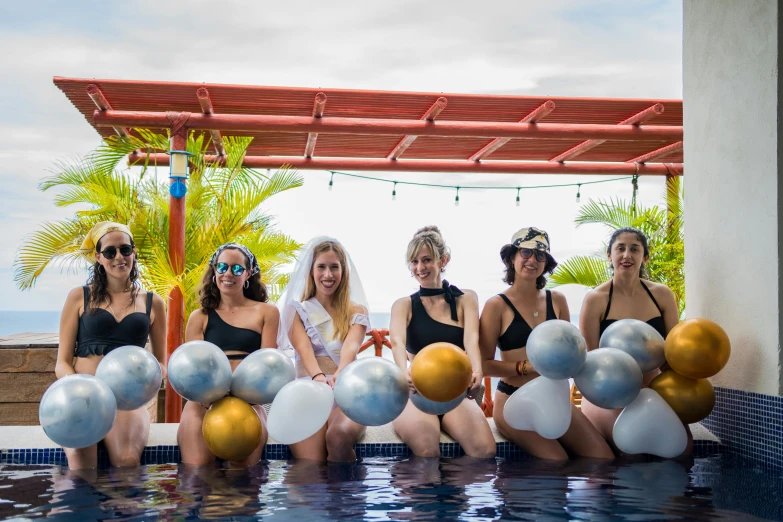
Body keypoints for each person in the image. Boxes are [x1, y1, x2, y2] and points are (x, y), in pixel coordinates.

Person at [479, 227, 613, 460]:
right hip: (514, 400)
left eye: (540, 255)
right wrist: (526, 367)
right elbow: (483, 365)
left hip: (555, 398)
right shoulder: (496, 306)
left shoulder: (558, 300)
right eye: (526, 253)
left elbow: (572, 352)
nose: (532, 260)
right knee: (556, 461)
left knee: (602, 458)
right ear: (512, 257)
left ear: (546, 263)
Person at [55, 221, 167, 469]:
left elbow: (161, 363)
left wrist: (146, 383)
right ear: (98, 257)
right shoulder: (79, 297)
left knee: (127, 463)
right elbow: (62, 362)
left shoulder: (153, 302)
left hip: (126, 401)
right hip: (82, 397)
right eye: (110, 252)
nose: (119, 257)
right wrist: (78, 389)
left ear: (133, 252)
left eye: (125, 249)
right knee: (82, 470)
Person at [390, 226, 496, 459]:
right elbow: (396, 342)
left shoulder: (466, 298)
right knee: (427, 451)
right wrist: (402, 372)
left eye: (426, 260)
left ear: (443, 259)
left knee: (485, 452)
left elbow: (472, 339)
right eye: (414, 261)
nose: (420, 268)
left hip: (455, 393)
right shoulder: (403, 305)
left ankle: (453, 494)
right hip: (416, 392)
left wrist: (477, 370)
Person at [578, 227, 686, 453]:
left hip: (654, 388)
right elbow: (592, 358)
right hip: (608, 392)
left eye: (634, 249)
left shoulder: (662, 295)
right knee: (629, 449)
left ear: (645, 256)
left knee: (683, 449)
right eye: (620, 248)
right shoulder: (595, 300)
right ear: (609, 255)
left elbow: (674, 352)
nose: (627, 255)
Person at [178, 243, 280, 467]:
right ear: (214, 270)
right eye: (222, 267)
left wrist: (244, 397)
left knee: (243, 481)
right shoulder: (200, 316)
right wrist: (208, 397)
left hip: (249, 403)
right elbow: (194, 370)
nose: (228, 274)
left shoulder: (267, 313)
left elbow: (267, 366)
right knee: (198, 473)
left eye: (236, 269)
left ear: (248, 274)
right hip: (203, 403)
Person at [278, 237, 371, 462]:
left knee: (338, 438)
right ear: (311, 271)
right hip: (308, 391)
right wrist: (318, 377)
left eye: (334, 267)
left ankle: (348, 496)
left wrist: (340, 374)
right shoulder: (297, 310)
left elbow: (351, 347)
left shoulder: (357, 311)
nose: (327, 275)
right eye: (321, 267)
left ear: (343, 271)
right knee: (312, 466)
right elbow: (303, 348)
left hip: (346, 391)